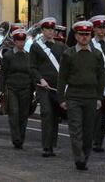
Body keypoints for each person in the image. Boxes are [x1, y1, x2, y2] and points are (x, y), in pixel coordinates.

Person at [58, 21, 105, 171]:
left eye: (87, 34)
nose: (84, 38)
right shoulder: (68, 54)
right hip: (74, 96)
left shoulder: (97, 54)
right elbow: (62, 78)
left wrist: (99, 98)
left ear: (91, 35)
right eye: (81, 35)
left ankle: (85, 156)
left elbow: (101, 77)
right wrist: (61, 99)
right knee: (76, 129)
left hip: (91, 97)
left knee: (89, 131)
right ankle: (79, 158)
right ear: (76, 36)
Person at [29, 17, 66, 157]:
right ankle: (46, 146)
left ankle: (52, 144)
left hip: (57, 86)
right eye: (48, 29)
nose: (51, 32)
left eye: (52, 29)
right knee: (46, 113)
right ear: (43, 30)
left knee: (55, 115)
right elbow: (32, 67)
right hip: (43, 86)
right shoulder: (36, 46)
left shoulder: (61, 46)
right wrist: (40, 79)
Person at [0, 29, 33, 149]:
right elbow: (3, 73)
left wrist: (35, 89)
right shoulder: (8, 55)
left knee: (23, 114)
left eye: (23, 41)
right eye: (18, 41)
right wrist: (0, 89)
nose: (21, 43)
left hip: (26, 88)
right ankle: (16, 138)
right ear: (14, 41)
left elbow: (32, 73)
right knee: (14, 113)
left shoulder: (28, 56)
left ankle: (21, 137)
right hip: (12, 88)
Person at [89, 15, 105, 152]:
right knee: (95, 113)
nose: (101, 30)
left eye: (103, 27)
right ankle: (92, 140)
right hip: (94, 84)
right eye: (99, 27)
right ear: (94, 29)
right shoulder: (90, 44)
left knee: (103, 114)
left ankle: (99, 142)